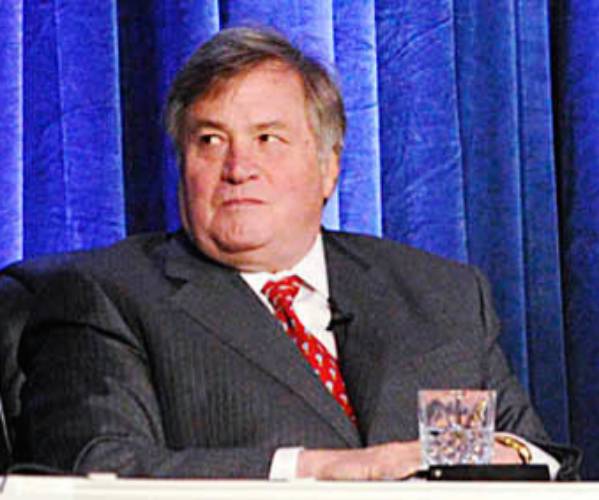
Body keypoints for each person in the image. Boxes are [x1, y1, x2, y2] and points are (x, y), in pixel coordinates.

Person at [15, 27, 575, 480]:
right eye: (210, 140)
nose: (239, 168)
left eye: (268, 139)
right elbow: (97, 467)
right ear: (181, 164)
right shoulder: (106, 294)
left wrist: (511, 457)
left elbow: (545, 462)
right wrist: (319, 471)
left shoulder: (442, 295)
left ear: (329, 167)